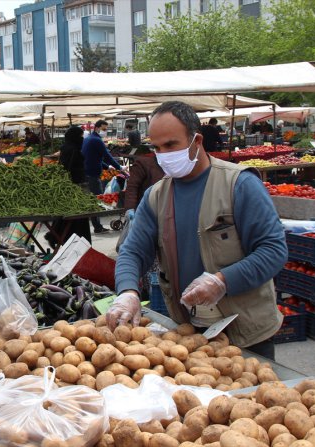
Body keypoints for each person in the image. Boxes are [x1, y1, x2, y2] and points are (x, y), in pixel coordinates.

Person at [107, 101, 287, 360]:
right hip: (188, 331)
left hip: (245, 331)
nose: (163, 154)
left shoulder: (239, 184)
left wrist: (222, 281)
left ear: (197, 140)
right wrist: (127, 292)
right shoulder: (156, 196)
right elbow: (133, 251)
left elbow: (273, 251)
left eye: (171, 145)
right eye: (156, 148)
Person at [46, 126, 91, 248]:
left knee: (67, 215)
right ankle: (76, 242)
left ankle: (56, 235)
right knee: (77, 217)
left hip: (70, 186)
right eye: (81, 136)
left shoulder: (67, 147)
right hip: (74, 186)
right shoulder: (73, 149)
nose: (82, 138)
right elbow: (68, 168)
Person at [81, 119, 124, 234]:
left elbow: (95, 157)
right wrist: (120, 167)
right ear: (97, 128)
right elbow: (106, 155)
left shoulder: (89, 139)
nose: (105, 131)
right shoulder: (96, 140)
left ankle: (97, 225)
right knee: (98, 199)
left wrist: (106, 167)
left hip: (87, 172)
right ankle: (98, 226)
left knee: (93, 200)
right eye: (104, 129)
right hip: (92, 174)